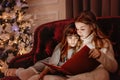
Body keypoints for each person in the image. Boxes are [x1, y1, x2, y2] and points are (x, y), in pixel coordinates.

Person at [42, 11, 118, 80]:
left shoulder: (103, 42)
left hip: (94, 74)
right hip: (74, 75)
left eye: (82, 29)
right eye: (77, 29)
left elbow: (114, 68)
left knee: (102, 73)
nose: (79, 32)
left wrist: (101, 55)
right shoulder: (75, 40)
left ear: (92, 26)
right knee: (46, 78)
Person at [2, 22, 80, 80]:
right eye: (70, 37)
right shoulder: (61, 46)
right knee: (25, 75)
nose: (73, 40)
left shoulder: (79, 48)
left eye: (76, 37)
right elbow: (51, 63)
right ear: (66, 37)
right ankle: (17, 71)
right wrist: (42, 74)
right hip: (47, 64)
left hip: (58, 71)